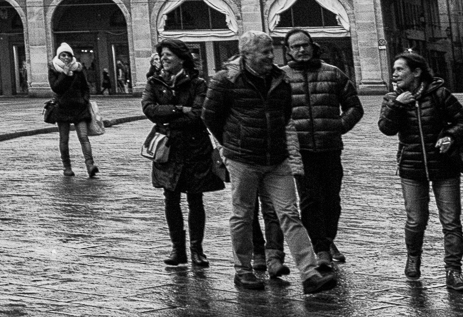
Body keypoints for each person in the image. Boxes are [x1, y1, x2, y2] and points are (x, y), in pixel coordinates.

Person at [203, 32, 332, 293]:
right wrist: (230, 142)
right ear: (247, 54)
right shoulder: (225, 80)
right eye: (265, 52)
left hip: (276, 158)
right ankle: (243, 270)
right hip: (243, 159)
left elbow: (285, 114)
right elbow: (210, 116)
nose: (272, 56)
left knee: (289, 213)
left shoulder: (279, 78)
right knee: (243, 214)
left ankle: (309, 274)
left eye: (271, 51)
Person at [379, 51, 463, 294]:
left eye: (400, 69)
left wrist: (450, 136)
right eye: (394, 70)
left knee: (451, 222)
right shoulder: (393, 98)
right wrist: (397, 105)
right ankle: (413, 257)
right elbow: (386, 129)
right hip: (411, 168)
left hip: (444, 166)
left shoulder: (440, 94)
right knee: (416, 220)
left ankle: (453, 271)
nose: (395, 74)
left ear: (417, 71)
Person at [282, 29, 363, 270]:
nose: (301, 50)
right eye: (295, 46)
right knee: (309, 200)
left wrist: (338, 126)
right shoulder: (282, 77)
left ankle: (327, 240)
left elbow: (354, 107)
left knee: (331, 200)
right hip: (301, 150)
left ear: (312, 45)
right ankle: (321, 248)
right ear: (288, 50)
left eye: (304, 45)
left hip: (329, 147)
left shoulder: (332, 73)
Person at [144, 39, 223, 269]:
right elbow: (149, 110)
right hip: (167, 150)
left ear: (181, 58)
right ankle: (177, 248)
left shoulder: (198, 83)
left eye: (169, 54)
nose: (164, 58)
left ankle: (197, 250)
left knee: (195, 198)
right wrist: (179, 109)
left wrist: (167, 116)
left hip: (195, 147)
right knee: (170, 198)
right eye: (162, 55)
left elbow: (198, 115)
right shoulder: (154, 82)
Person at [48, 43, 97, 177]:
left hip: (79, 108)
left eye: (68, 55)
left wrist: (84, 100)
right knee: (64, 139)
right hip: (62, 108)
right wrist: (64, 74)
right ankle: (67, 167)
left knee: (83, 137)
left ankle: (90, 165)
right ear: (59, 56)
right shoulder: (54, 69)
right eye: (63, 55)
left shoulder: (78, 69)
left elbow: (85, 87)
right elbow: (56, 88)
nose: (66, 57)